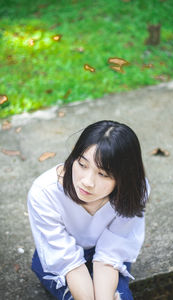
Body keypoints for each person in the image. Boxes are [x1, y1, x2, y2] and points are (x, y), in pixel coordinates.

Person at [27, 120, 150, 300]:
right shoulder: (44, 193)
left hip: (109, 257)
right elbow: (69, 264)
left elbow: (109, 256)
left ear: (124, 177)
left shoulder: (133, 191)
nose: (87, 182)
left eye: (103, 174)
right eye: (82, 164)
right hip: (62, 256)